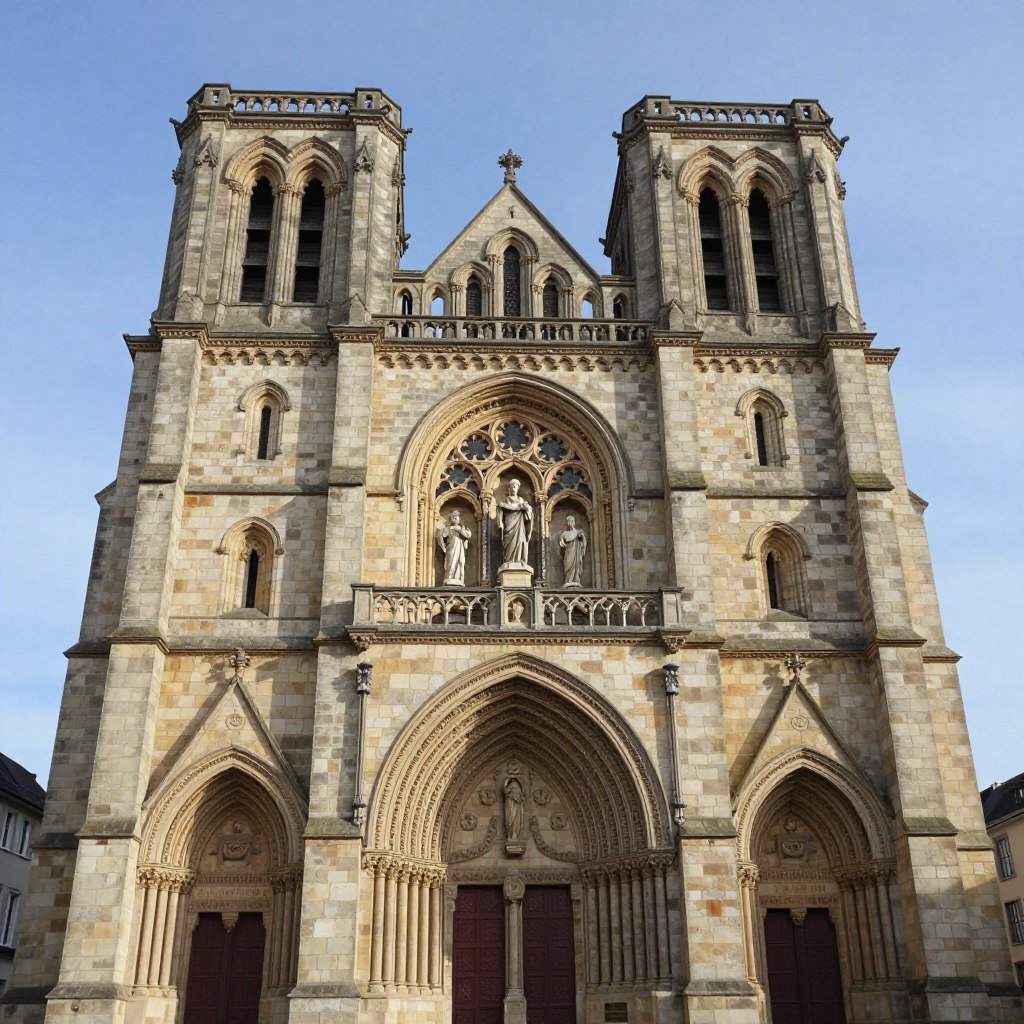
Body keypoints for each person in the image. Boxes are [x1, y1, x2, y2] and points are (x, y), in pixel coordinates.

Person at [497, 479, 533, 567]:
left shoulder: (521, 500)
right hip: (509, 524)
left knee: (520, 541)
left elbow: (529, 515)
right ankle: (509, 560)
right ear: (509, 488)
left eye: (515, 486)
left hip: (519, 526)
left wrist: (527, 509)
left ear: (518, 489)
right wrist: (500, 524)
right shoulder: (505, 501)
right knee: (509, 542)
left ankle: (518, 560)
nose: (513, 488)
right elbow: (500, 513)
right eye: (512, 486)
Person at [437, 510, 472, 586]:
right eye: (455, 518)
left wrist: (461, 529)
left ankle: (458, 578)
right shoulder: (449, 528)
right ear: (452, 519)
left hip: (460, 546)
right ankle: (449, 577)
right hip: (451, 546)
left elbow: (467, 535)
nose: (456, 520)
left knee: (460, 562)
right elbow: (442, 536)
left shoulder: (462, 528)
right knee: (451, 562)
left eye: (457, 518)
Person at [558, 515, 587, 587]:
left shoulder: (578, 532)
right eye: (568, 521)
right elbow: (561, 544)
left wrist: (581, 536)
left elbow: (583, 542)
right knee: (568, 565)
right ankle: (568, 580)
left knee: (575, 564)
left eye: (570, 521)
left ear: (573, 522)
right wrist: (562, 542)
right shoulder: (564, 533)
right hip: (568, 552)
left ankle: (575, 579)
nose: (569, 523)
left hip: (576, 553)